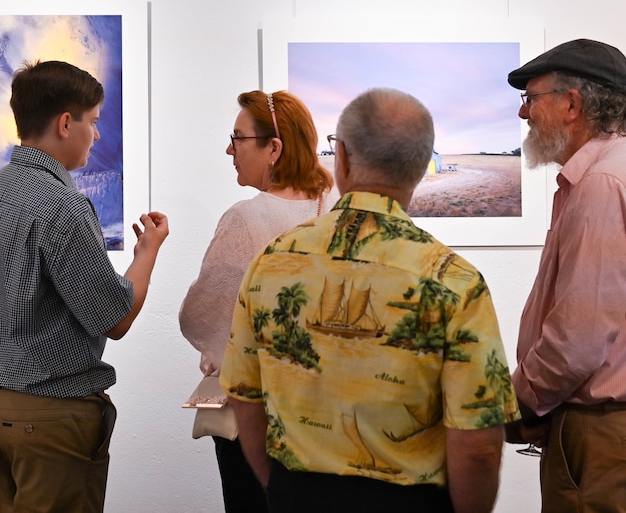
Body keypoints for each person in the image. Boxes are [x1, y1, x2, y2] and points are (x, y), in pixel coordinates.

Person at [220, 88, 520, 513]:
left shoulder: (272, 262)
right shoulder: (456, 283)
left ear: (340, 158)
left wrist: (282, 489)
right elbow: (479, 445)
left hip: (296, 496)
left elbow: (244, 395)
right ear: (419, 167)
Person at [0, 60, 169, 513]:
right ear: (65, 123)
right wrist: (147, 253)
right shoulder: (63, 205)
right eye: (93, 122)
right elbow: (115, 319)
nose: (96, 135)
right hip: (47, 412)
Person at [504, 39, 626, 513]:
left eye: (531, 98)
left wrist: (516, 404)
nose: (525, 113)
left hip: (605, 434)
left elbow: (578, 341)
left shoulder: (605, 186)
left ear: (572, 104)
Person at [179, 90, 334, 512]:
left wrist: (218, 350)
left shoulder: (246, 218)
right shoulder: (339, 210)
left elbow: (199, 315)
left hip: (256, 419)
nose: (229, 149)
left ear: (274, 149)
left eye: (238, 138)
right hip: (329, 418)